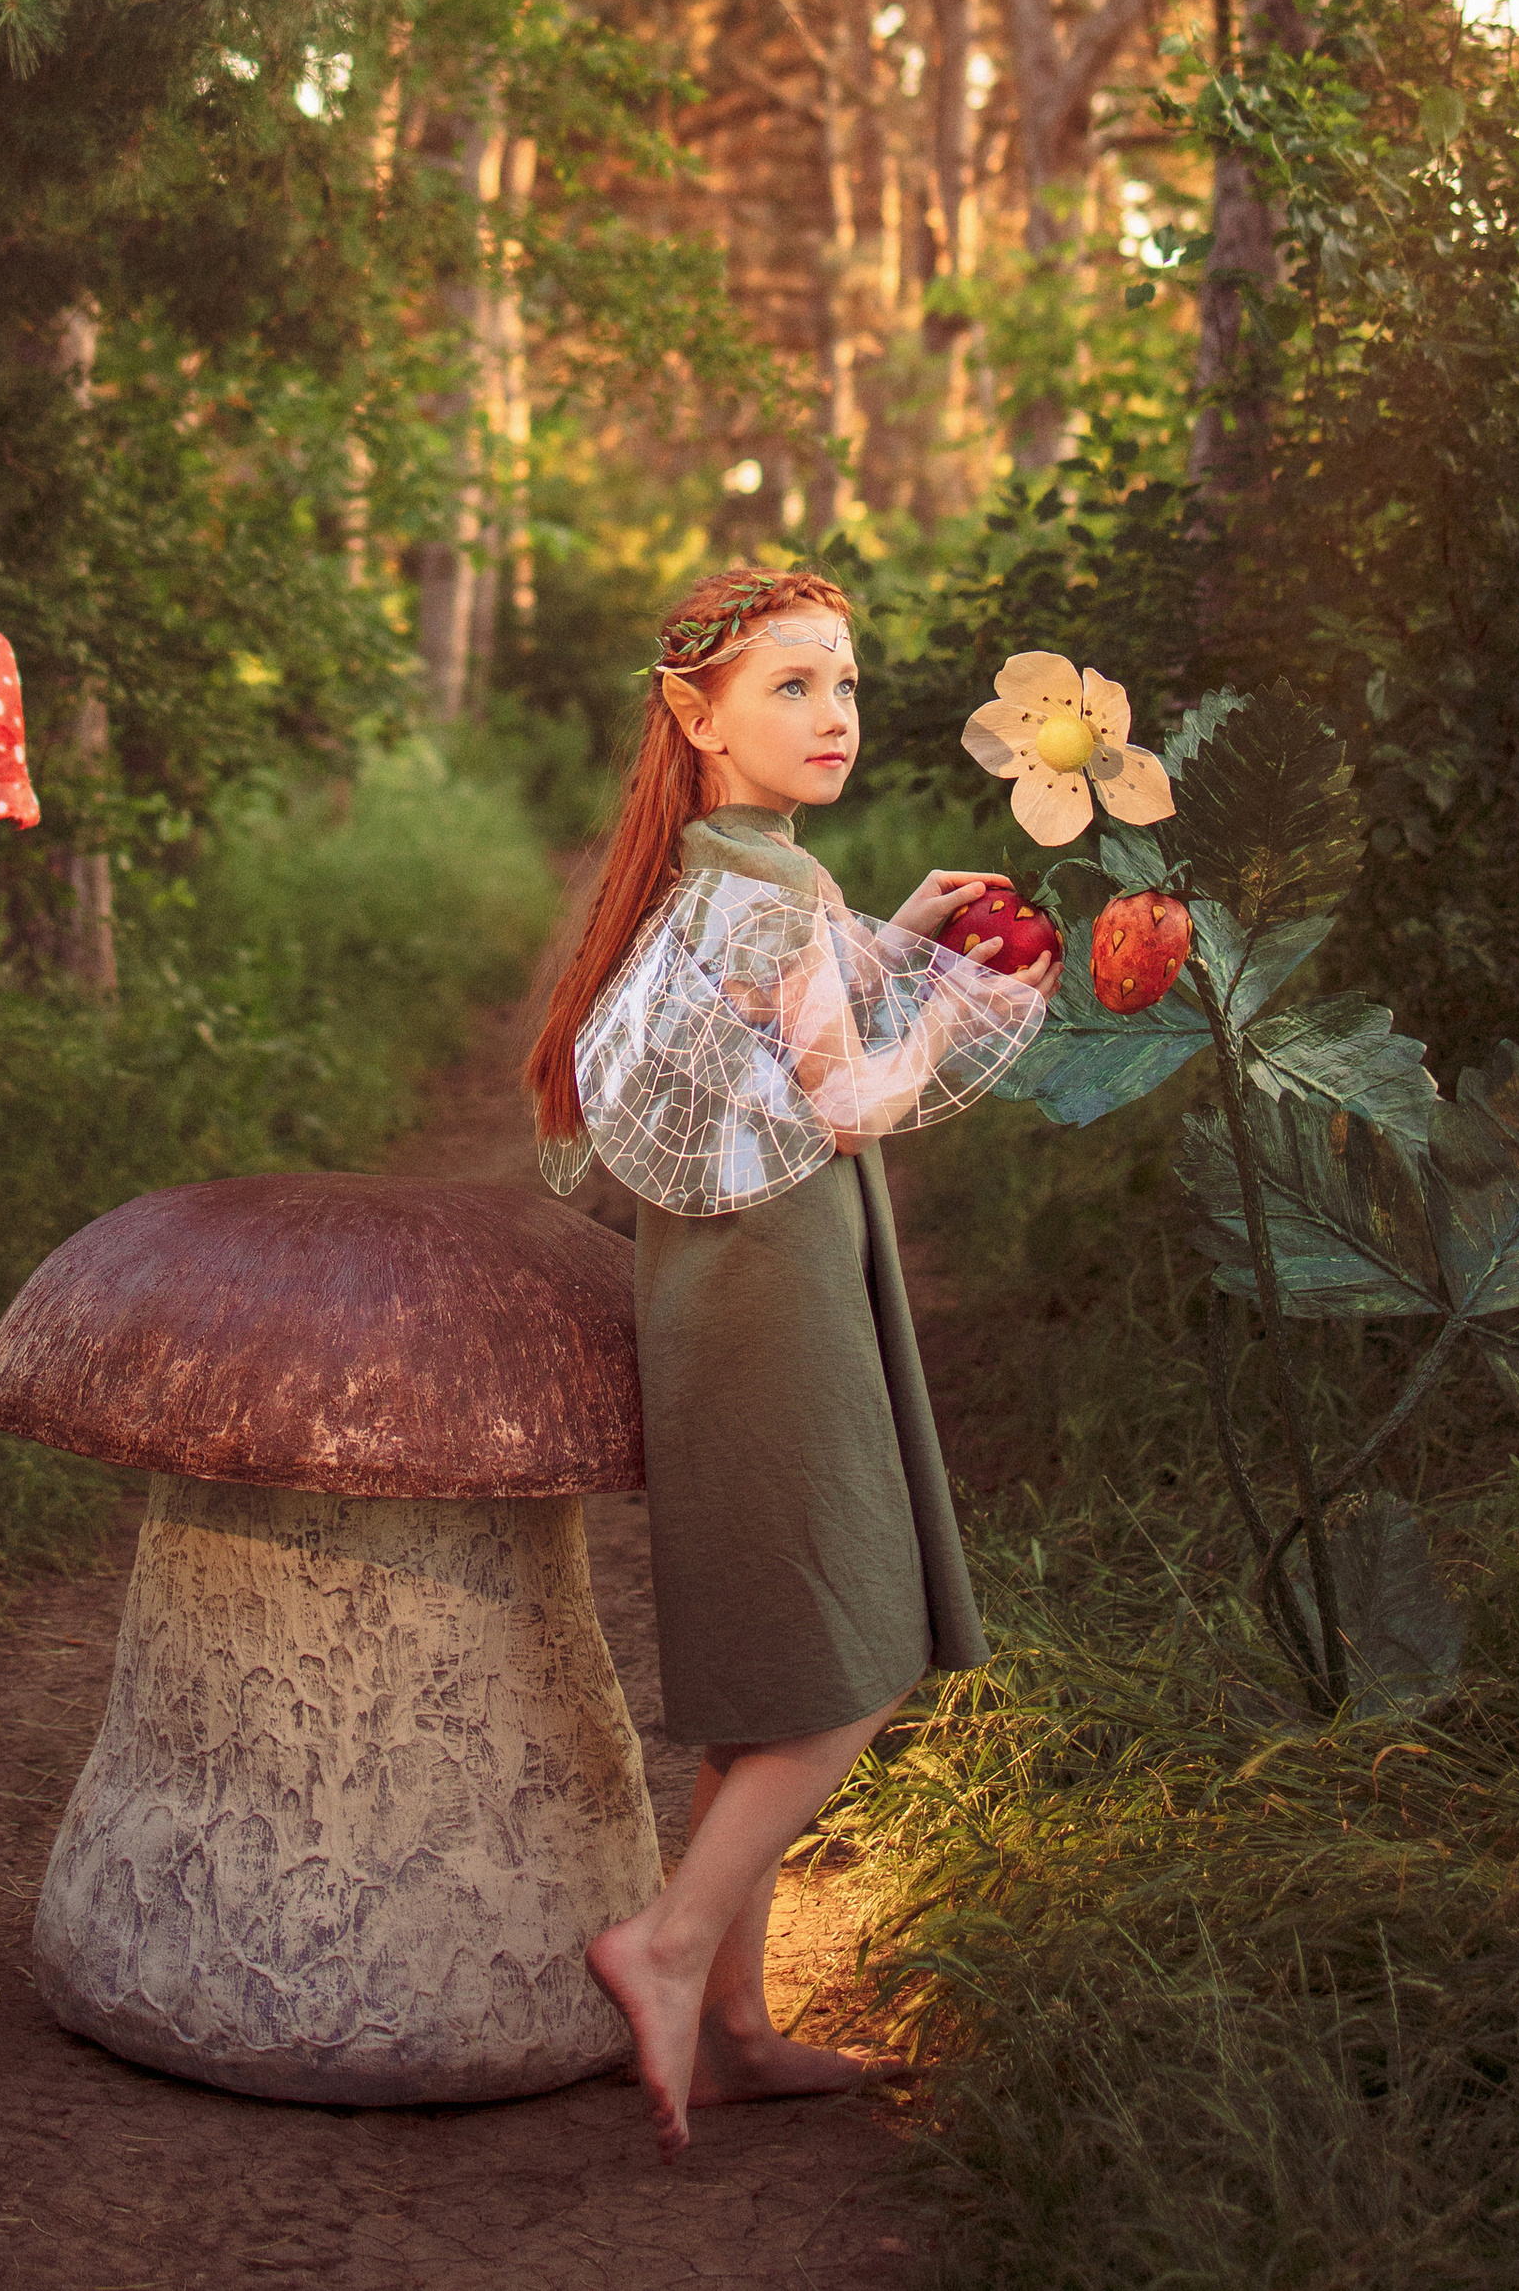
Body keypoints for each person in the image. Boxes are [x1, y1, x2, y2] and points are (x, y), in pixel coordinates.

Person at [523, 563, 1056, 2160]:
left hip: (746, 1275)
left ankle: (742, 2028)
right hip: (776, 1291)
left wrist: (891, 935)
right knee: (853, 1657)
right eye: (790, 687)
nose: (832, 715)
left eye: (842, 682)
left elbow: (783, 1023)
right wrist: (961, 1015)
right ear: (697, 719)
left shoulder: (745, 874)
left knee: (773, 1682)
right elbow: (852, 1101)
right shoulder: (762, 890)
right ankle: (670, 1945)